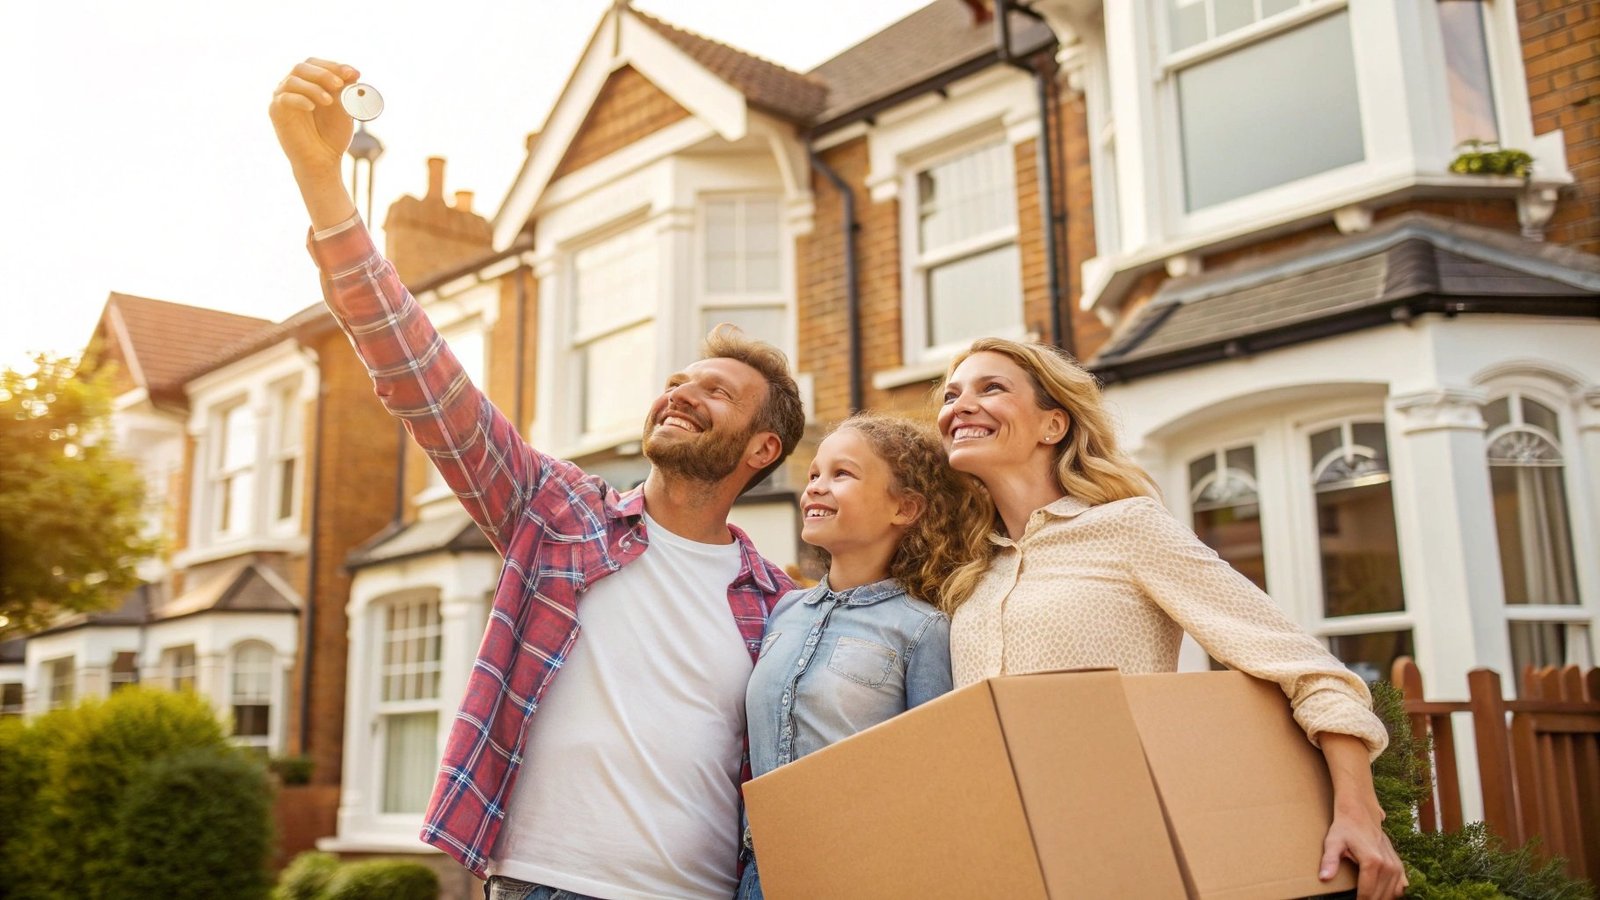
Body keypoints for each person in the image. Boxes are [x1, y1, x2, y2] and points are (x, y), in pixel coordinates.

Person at [270, 58, 805, 900]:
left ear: (762, 450)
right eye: (679, 379)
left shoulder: (780, 607)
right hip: (537, 885)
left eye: (717, 392)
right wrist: (321, 182)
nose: (681, 393)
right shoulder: (559, 513)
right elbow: (419, 375)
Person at [936, 337, 1408, 900]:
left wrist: (1359, 815)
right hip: (1002, 853)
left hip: (1129, 844)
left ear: (1053, 426)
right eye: (950, 395)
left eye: (991, 389)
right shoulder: (969, 570)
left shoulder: (1130, 528)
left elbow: (1310, 671)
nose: (959, 406)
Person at [738, 413, 985, 899]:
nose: (816, 488)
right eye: (814, 475)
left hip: (862, 875)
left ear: (905, 508)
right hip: (759, 876)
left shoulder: (923, 628)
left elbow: (934, 780)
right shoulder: (783, 611)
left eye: (842, 474)